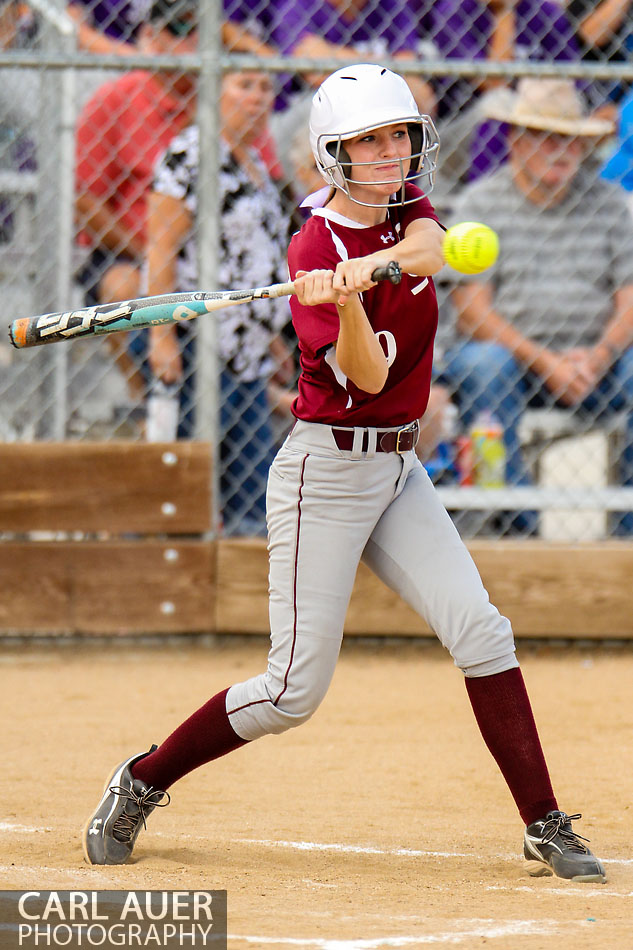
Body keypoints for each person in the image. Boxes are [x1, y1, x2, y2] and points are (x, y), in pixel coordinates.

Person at [82, 63, 605, 883]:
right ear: (335, 155)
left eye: (399, 135)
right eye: (372, 142)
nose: (393, 152)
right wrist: (345, 296)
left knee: (480, 630)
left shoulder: (406, 211)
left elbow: (432, 247)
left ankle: (543, 821)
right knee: (292, 692)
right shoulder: (310, 249)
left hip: (398, 468)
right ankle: (143, 779)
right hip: (323, 473)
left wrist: (380, 265)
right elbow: (360, 377)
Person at [442, 77, 633, 535]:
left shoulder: (612, 205)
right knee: (484, 364)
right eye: (547, 138)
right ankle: (514, 522)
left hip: (596, 364)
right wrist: (546, 362)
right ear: (516, 141)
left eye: (570, 140)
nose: (561, 151)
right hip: (514, 363)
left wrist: (598, 356)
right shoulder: (479, 203)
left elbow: (630, 300)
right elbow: (472, 312)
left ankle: (628, 525)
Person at [145, 70, 295, 535]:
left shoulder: (253, 162)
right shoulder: (190, 155)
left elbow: (259, 256)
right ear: (215, 92)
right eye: (244, 85)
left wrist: (272, 340)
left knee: (251, 500)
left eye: (265, 88)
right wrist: (162, 334)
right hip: (200, 343)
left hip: (248, 354)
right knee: (190, 489)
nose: (257, 98)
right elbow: (161, 247)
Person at [74, 0, 198, 396]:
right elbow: (87, 202)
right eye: (174, 29)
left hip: (211, 249)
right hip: (130, 249)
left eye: (195, 28)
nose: (188, 40)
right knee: (122, 289)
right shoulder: (114, 99)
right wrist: (150, 254)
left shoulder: (229, 96)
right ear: (149, 36)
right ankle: (143, 399)